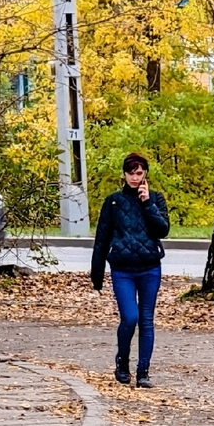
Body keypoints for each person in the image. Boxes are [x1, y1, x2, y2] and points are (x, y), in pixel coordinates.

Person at [91, 153, 171, 387]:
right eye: (131, 173)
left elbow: (163, 230)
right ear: (124, 174)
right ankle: (122, 361)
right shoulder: (113, 201)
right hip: (122, 269)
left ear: (145, 174)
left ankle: (143, 371)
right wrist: (96, 272)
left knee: (146, 320)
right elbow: (102, 238)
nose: (135, 178)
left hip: (149, 268)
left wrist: (148, 204)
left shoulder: (156, 198)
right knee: (130, 318)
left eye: (139, 173)